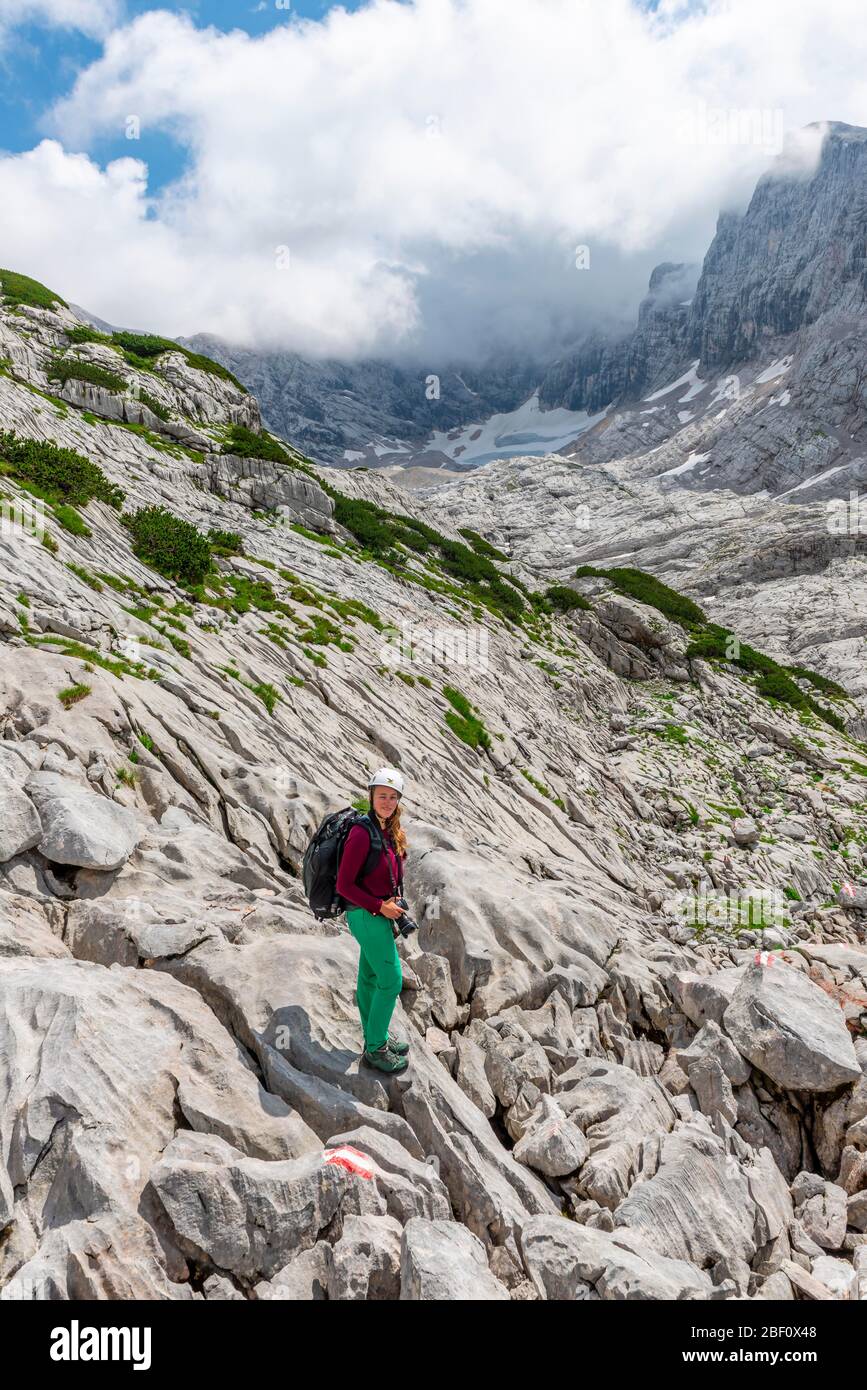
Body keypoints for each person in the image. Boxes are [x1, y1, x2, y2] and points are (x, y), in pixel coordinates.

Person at [336, 766, 410, 1073]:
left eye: (393, 797)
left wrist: (389, 900)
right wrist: (380, 906)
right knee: (391, 980)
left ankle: (372, 1036)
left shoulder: (386, 830)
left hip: (377, 913)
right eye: (382, 796)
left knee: (368, 978)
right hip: (366, 915)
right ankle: (376, 1049)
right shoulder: (361, 832)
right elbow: (344, 884)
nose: (387, 802)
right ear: (371, 796)